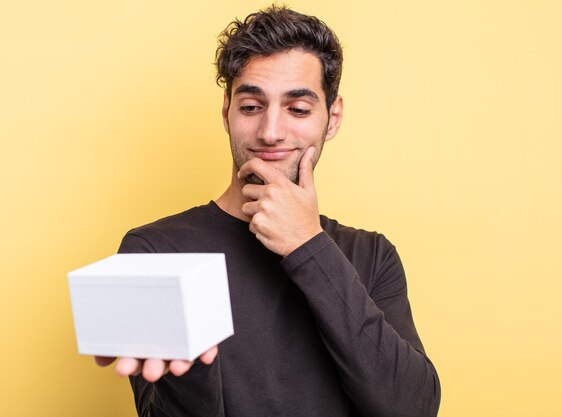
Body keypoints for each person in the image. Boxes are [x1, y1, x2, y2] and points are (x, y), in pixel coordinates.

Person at [96, 5, 441, 416]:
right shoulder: (157, 252)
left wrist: (309, 246)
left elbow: (412, 408)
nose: (271, 132)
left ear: (332, 118)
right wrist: (190, 370)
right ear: (226, 112)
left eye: (297, 109)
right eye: (251, 107)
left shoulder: (372, 256)